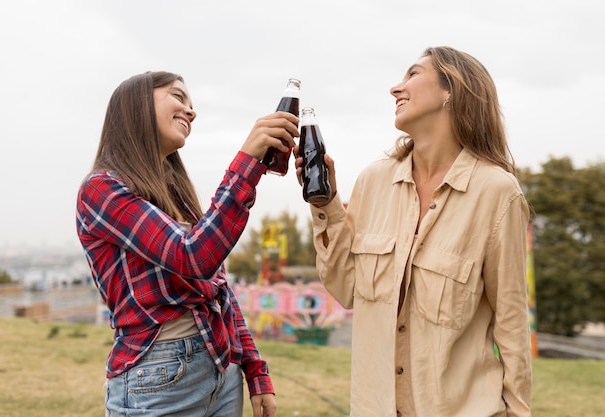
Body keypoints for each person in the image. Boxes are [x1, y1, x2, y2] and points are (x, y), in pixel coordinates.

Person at [296, 46, 532, 416]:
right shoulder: (373, 181)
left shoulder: (497, 194)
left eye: (412, 75)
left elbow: (513, 325)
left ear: (450, 90)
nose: (396, 88)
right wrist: (325, 205)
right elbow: (345, 288)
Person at [76, 71, 299, 417]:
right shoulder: (101, 189)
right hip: (158, 377)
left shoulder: (176, 191)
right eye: (178, 97)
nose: (190, 111)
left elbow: (217, 289)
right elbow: (193, 256)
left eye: (192, 104)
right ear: (135, 105)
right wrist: (248, 161)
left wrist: (255, 370)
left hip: (221, 370)